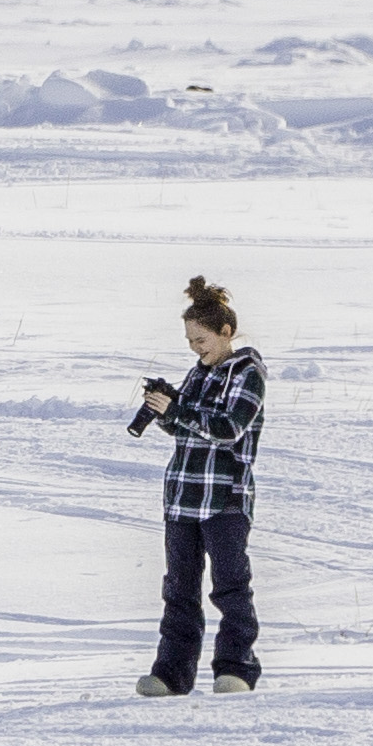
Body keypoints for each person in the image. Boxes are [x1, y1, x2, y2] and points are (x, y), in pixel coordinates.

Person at [127, 277, 265, 697]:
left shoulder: (247, 373)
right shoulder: (198, 373)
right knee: (179, 591)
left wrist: (180, 409)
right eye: (189, 340)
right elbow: (185, 429)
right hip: (183, 497)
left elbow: (228, 429)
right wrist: (165, 410)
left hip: (224, 498)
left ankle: (237, 668)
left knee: (229, 587)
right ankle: (171, 674)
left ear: (226, 332)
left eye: (200, 339)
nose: (195, 348)